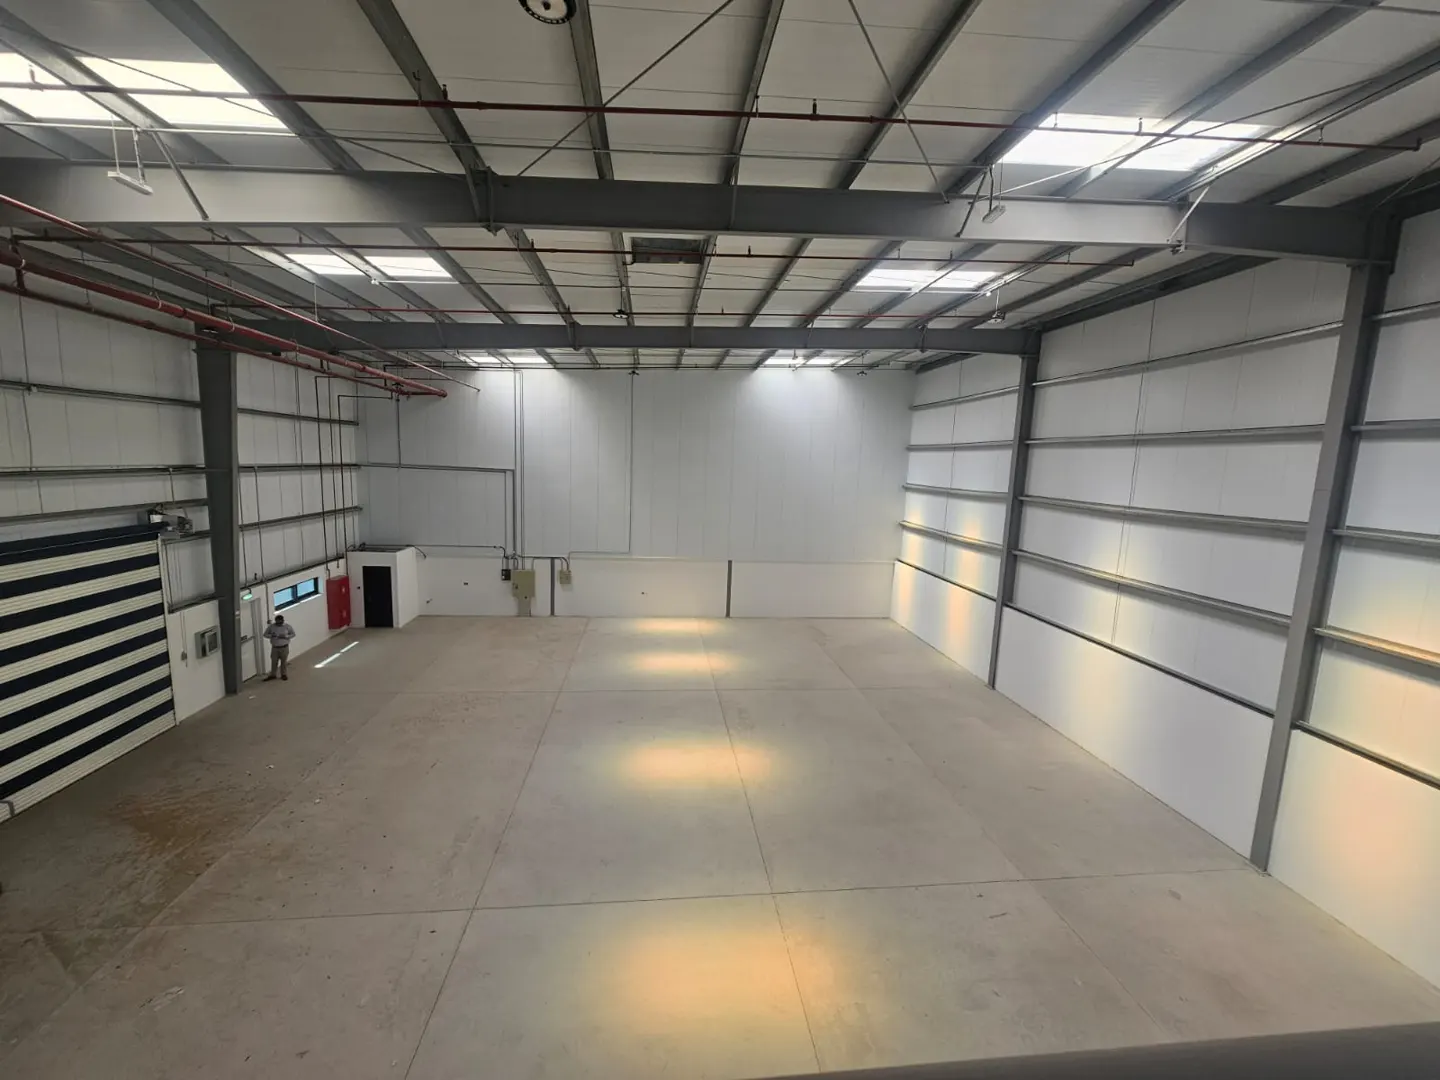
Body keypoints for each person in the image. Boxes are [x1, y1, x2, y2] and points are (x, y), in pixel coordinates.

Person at [263, 614, 296, 681]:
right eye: (277, 622)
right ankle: (273, 675)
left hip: (284, 647)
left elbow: (293, 634)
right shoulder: (271, 627)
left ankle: (283, 674)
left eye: (280, 622)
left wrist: (286, 636)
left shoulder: (287, 626)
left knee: (284, 662)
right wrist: (271, 635)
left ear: (283, 621)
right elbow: (265, 634)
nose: (278, 624)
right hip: (275, 648)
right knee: (274, 661)